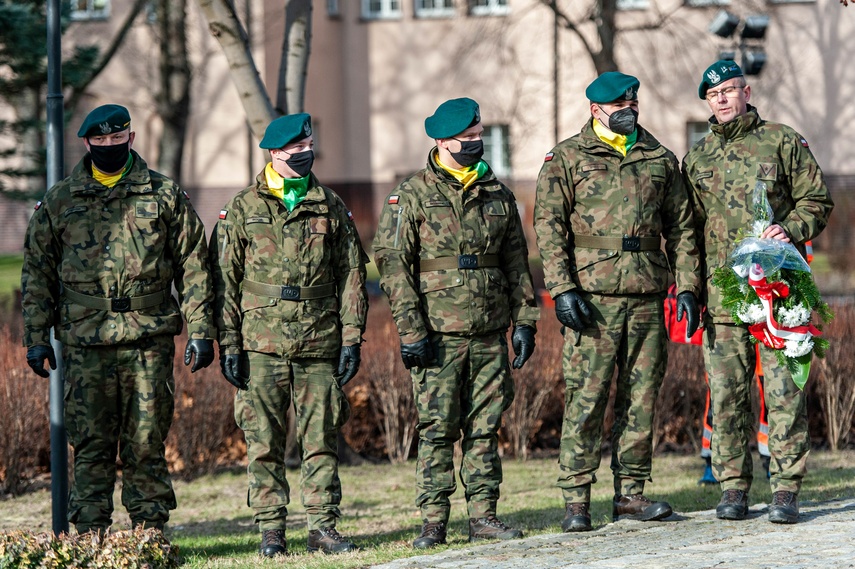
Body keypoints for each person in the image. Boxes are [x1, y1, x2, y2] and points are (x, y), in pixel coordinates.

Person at [21, 104, 215, 534]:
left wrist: (202, 330)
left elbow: (194, 266)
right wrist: (35, 336)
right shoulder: (60, 201)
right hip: (85, 340)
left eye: (116, 139)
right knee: (91, 443)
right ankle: (91, 533)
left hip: (148, 339)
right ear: (86, 142)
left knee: (146, 441)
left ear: (130, 138)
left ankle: (149, 532)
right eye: (100, 140)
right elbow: (37, 272)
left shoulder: (163, 194)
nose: (109, 146)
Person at [534, 72, 701, 532]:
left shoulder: (659, 158)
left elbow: (683, 229)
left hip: (647, 297)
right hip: (593, 300)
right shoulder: (566, 158)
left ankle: (630, 494)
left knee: (640, 400)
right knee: (586, 400)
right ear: (596, 110)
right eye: (619, 104)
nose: (630, 108)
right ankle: (576, 500)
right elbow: (549, 228)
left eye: (633, 101)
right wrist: (562, 289)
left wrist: (687, 286)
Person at [373, 97, 539, 549]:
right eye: (466, 139)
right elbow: (393, 264)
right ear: (442, 141)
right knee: (438, 428)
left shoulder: (498, 194)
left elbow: (516, 264)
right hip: (437, 336)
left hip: (488, 333)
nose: (475, 144)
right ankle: (433, 520)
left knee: (485, 427)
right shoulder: (411, 195)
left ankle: (484, 515)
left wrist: (525, 321)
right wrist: (411, 331)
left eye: (478, 136)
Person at [209, 113, 368, 556]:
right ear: (274, 153)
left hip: (319, 340)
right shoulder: (242, 208)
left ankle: (322, 527)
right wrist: (230, 344)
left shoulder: (330, 205)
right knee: (264, 441)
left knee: (321, 438)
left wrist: (352, 337)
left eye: (308, 145)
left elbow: (352, 274)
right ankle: (271, 530)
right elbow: (223, 279)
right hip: (261, 344)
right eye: (295, 150)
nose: (305, 154)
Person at [683, 60, 834, 524]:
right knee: (727, 394)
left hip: (780, 295)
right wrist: (687, 289)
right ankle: (732, 488)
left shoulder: (782, 140)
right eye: (714, 95)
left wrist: (788, 228)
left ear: (746, 92)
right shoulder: (696, 159)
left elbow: (818, 199)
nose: (723, 99)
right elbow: (686, 232)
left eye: (730, 90)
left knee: (786, 390)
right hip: (723, 296)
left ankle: (786, 488)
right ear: (707, 102)